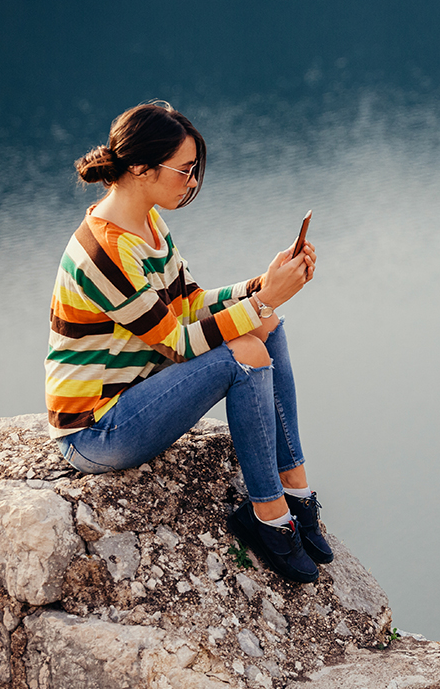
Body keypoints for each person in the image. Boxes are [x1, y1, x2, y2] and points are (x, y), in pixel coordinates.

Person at [45, 100, 331, 583]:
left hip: (137, 397)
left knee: (267, 325)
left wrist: (262, 286)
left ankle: (293, 485)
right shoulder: (105, 252)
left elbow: (191, 302)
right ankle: (267, 517)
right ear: (140, 168)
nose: (193, 181)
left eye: (196, 169)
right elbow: (177, 344)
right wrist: (259, 303)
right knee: (244, 355)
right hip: (95, 431)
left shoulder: (149, 224)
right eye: (185, 169)